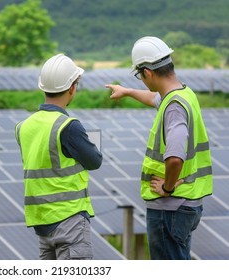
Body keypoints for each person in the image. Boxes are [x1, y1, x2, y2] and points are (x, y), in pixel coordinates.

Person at [106, 36, 213, 260]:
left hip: (171, 207)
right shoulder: (183, 94)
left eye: (139, 75)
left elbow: (175, 157)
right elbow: (155, 98)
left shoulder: (173, 107)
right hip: (188, 202)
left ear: (147, 72)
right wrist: (127, 91)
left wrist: (168, 187)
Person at [15, 53, 103, 260]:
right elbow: (95, 161)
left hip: (42, 223)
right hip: (69, 219)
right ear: (72, 87)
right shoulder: (68, 126)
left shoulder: (23, 127)